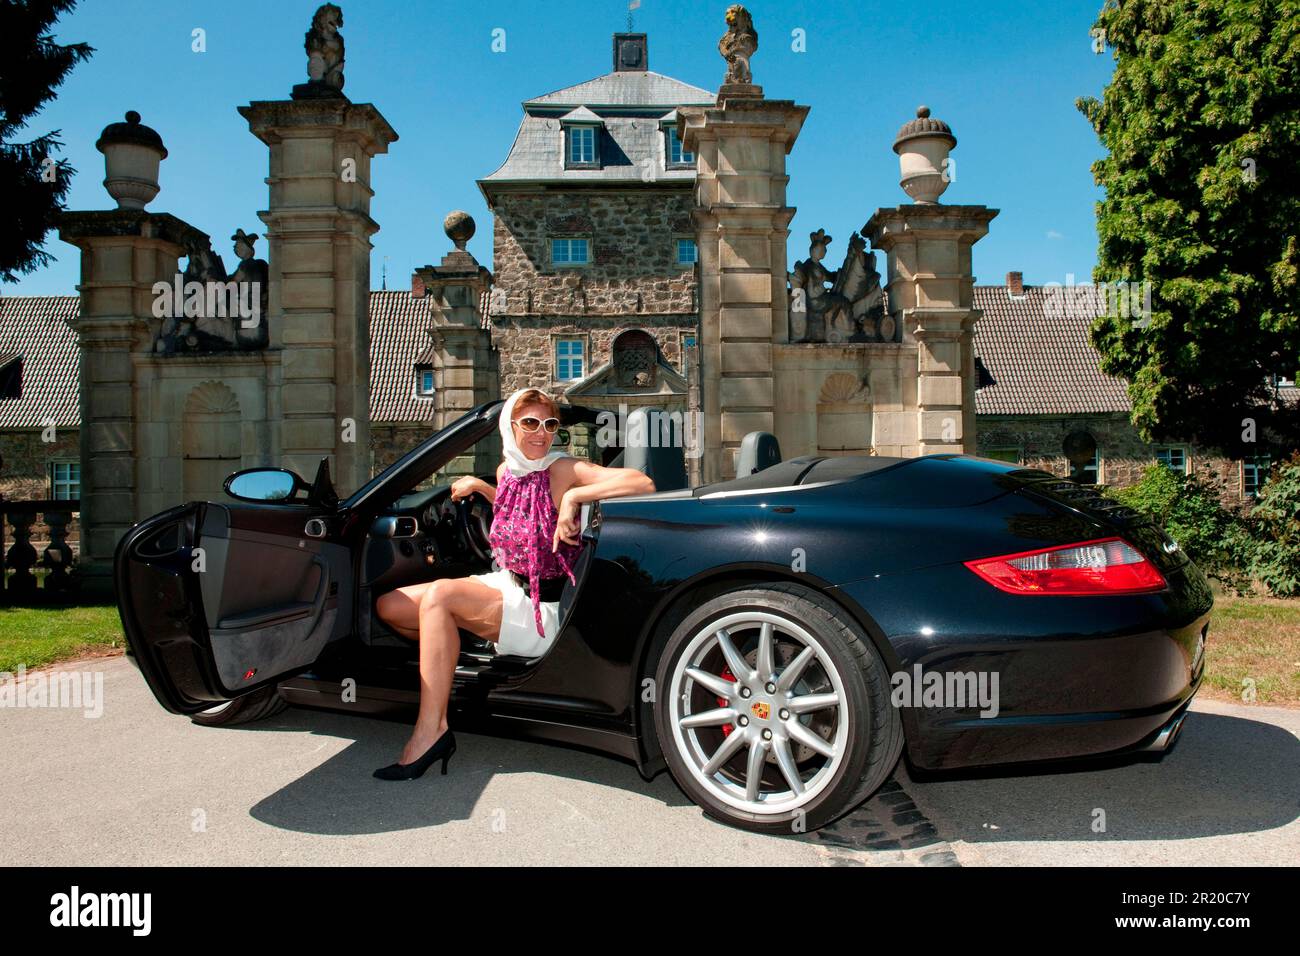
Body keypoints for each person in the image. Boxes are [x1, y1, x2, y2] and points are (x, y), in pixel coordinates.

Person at [371, 388, 656, 780]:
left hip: (542, 610)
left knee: (440, 594)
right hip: (508, 584)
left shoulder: (561, 469)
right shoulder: (509, 472)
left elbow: (641, 483)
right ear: (510, 427)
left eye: (550, 424)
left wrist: (574, 498)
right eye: (530, 423)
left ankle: (430, 731)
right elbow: (517, 509)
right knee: (390, 606)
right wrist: (481, 487)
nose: (541, 433)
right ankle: (450, 645)